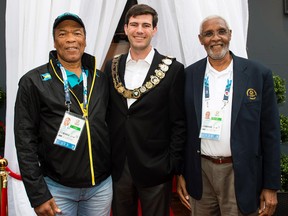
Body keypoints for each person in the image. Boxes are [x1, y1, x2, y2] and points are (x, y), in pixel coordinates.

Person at [177, 15, 281, 216]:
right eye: (208, 34)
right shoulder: (188, 75)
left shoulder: (258, 74)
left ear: (230, 35)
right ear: (200, 39)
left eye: (221, 31)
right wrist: (182, 172)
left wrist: (270, 186)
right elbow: (183, 127)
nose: (216, 38)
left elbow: (270, 134)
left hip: (240, 173)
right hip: (201, 173)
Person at [14, 12, 112, 216]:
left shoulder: (100, 80)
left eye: (77, 33)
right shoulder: (33, 82)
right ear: (54, 41)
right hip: (57, 189)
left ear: (84, 40)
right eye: (62, 34)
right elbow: (25, 142)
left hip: (100, 188)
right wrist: (38, 194)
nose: (70, 39)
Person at [104, 4, 186, 216]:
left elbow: (179, 122)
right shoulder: (112, 66)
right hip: (119, 166)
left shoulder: (173, 70)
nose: (139, 30)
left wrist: (170, 165)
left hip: (156, 168)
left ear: (154, 30)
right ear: (126, 28)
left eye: (145, 25)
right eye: (134, 25)